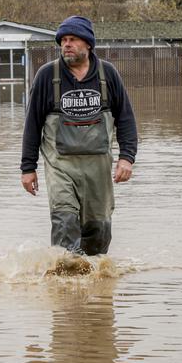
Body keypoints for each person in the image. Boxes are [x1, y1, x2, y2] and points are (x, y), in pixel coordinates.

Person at [21, 15, 137, 255]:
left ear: (88, 44)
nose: (67, 44)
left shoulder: (108, 74)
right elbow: (32, 124)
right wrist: (27, 167)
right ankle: (65, 284)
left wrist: (127, 157)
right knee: (65, 223)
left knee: (99, 231)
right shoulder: (47, 75)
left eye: (73, 39)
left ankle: (95, 283)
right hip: (61, 166)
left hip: (98, 167)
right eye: (63, 40)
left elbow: (125, 117)